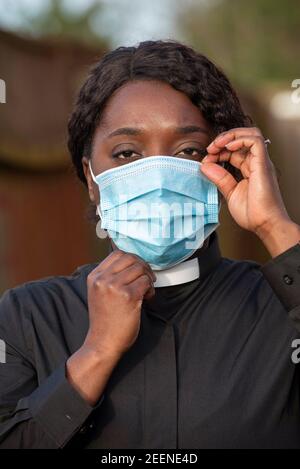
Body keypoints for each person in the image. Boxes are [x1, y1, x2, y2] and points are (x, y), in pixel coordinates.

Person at [1, 40, 300, 449]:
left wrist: (274, 225)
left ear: (224, 165)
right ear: (92, 177)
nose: (158, 177)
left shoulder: (281, 306)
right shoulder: (26, 317)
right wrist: (96, 353)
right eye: (126, 153)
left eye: (189, 150)